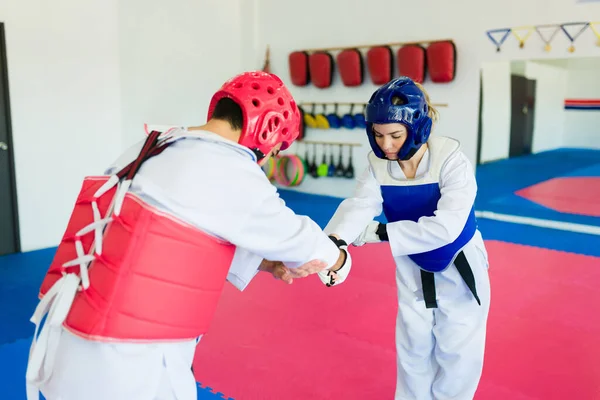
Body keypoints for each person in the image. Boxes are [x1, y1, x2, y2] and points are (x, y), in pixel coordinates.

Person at [25, 71, 352, 400]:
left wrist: (264, 263)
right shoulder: (230, 168)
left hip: (63, 343)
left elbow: (166, 227)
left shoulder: (152, 145)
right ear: (267, 132)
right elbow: (301, 241)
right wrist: (339, 258)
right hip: (125, 362)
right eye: (275, 152)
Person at [323, 77, 491, 400]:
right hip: (412, 267)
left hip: (460, 265)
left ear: (419, 127)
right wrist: (333, 245)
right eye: (379, 135)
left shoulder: (451, 160)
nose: (386, 145)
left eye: (395, 136)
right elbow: (360, 205)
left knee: (458, 355)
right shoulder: (379, 165)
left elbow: (447, 227)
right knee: (412, 353)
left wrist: (383, 232)